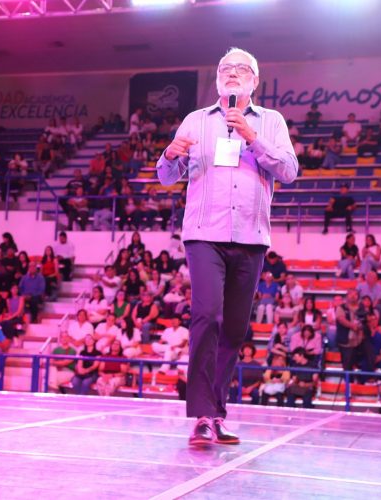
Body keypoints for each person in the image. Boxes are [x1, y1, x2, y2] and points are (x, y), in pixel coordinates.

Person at [156, 47, 298, 446]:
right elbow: (167, 176)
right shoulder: (196, 120)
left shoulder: (271, 121)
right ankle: (202, 415)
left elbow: (289, 171)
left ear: (255, 80)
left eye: (241, 69)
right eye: (225, 68)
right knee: (206, 315)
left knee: (234, 329)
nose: (232, 73)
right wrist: (169, 155)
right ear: (218, 78)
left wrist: (252, 137)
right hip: (204, 233)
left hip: (251, 236)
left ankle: (215, 413)